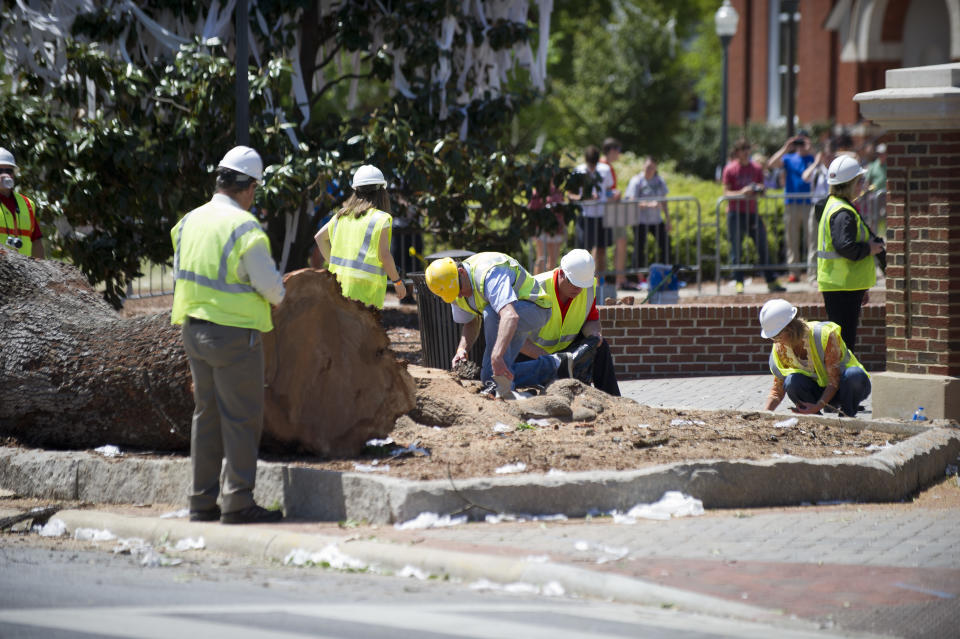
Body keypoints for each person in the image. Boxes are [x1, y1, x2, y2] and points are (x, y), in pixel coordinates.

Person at [171, 146, 285, 525]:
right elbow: (273, 290)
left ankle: (201, 501)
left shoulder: (187, 222)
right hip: (235, 337)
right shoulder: (245, 228)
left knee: (206, 417)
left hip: (193, 330)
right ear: (249, 187)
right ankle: (237, 500)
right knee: (240, 419)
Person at [424, 252, 592, 396]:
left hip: (536, 308)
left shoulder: (489, 274)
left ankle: (504, 390)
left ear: (461, 272)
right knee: (489, 377)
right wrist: (462, 349)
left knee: (492, 314)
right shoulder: (455, 289)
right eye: (454, 295)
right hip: (508, 316)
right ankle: (556, 365)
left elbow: (510, 316)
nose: (460, 296)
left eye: (459, 291)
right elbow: (470, 322)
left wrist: (497, 356)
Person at [514, 249, 621, 395]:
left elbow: (591, 319)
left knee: (600, 347)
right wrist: (551, 360)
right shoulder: (536, 287)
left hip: (565, 353)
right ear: (561, 272)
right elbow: (514, 336)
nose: (578, 289)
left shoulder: (587, 287)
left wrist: (594, 335)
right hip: (530, 355)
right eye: (573, 283)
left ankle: (612, 399)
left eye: (582, 284)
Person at [816, 155, 885, 353]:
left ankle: (840, 380)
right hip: (842, 286)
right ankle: (840, 382)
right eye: (860, 181)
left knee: (842, 341)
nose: (863, 184)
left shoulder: (834, 205)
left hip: (843, 285)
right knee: (844, 343)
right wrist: (869, 249)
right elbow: (845, 246)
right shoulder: (842, 212)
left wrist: (861, 287)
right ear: (849, 184)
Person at [759, 299, 871, 417]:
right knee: (792, 381)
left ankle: (847, 417)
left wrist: (819, 405)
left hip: (847, 388)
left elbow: (834, 380)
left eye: (777, 335)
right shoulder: (780, 349)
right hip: (819, 392)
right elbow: (778, 389)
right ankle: (816, 422)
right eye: (772, 337)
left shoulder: (823, 335)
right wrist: (764, 414)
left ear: (790, 328)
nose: (776, 341)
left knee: (854, 375)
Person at [315, 164, 406, 308]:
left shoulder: (341, 215)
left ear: (355, 190)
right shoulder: (380, 219)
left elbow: (319, 238)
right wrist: (398, 282)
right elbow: (385, 256)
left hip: (337, 287)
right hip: (365, 293)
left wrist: (334, 264)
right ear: (381, 191)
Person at [722, 139, 786, 294]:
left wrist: (759, 190)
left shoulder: (756, 168)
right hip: (735, 214)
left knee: (762, 246)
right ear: (737, 152)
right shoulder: (730, 169)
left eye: (747, 148)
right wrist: (742, 192)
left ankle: (771, 281)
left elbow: (762, 190)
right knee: (736, 249)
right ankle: (738, 281)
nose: (746, 151)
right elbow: (725, 193)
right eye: (743, 149)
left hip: (752, 213)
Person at [767, 131, 815, 282]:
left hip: (809, 204)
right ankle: (794, 272)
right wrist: (785, 148)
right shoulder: (789, 158)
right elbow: (771, 163)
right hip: (791, 204)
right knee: (791, 239)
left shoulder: (812, 158)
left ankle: (813, 273)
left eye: (803, 142)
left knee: (812, 240)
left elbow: (824, 161)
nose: (800, 145)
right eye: (798, 142)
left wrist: (811, 149)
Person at [569, 146, 612, 293]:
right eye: (590, 164)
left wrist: (612, 196)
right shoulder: (579, 170)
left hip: (602, 214)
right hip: (585, 215)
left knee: (601, 250)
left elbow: (609, 190)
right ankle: (583, 282)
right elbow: (570, 194)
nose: (592, 167)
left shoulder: (605, 169)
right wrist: (583, 198)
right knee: (584, 252)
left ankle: (600, 282)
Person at [624, 157, 670, 277]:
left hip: (656, 220)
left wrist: (668, 220)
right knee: (639, 248)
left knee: (665, 244)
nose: (650, 170)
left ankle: (664, 275)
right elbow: (631, 200)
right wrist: (649, 204)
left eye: (652, 168)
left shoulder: (659, 181)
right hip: (640, 221)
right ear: (643, 166)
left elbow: (664, 202)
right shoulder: (637, 181)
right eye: (648, 167)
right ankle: (639, 277)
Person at [801, 138, 835, 282]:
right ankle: (812, 275)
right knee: (814, 243)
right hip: (817, 208)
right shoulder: (817, 170)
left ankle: (830, 273)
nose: (827, 157)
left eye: (830, 154)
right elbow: (805, 177)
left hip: (832, 208)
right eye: (825, 154)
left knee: (831, 242)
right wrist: (816, 162)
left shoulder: (835, 170)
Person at [0, 147, 43, 258]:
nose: (5, 175)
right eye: (0, 171)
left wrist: (42, 272)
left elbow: (36, 242)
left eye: (9, 171)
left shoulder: (27, 204)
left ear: (14, 174)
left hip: (23, 273)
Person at [599, 138, 630, 291]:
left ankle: (613, 279)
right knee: (619, 241)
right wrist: (616, 194)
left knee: (603, 247)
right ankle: (619, 279)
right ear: (611, 150)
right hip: (609, 210)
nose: (619, 154)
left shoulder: (604, 165)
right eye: (618, 150)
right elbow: (604, 192)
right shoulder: (604, 167)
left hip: (607, 210)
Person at [529, 179, 566, 273]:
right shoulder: (538, 191)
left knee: (553, 260)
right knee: (541, 258)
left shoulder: (557, 191)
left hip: (556, 229)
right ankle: (536, 284)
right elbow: (533, 209)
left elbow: (562, 210)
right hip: (542, 229)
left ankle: (549, 285)